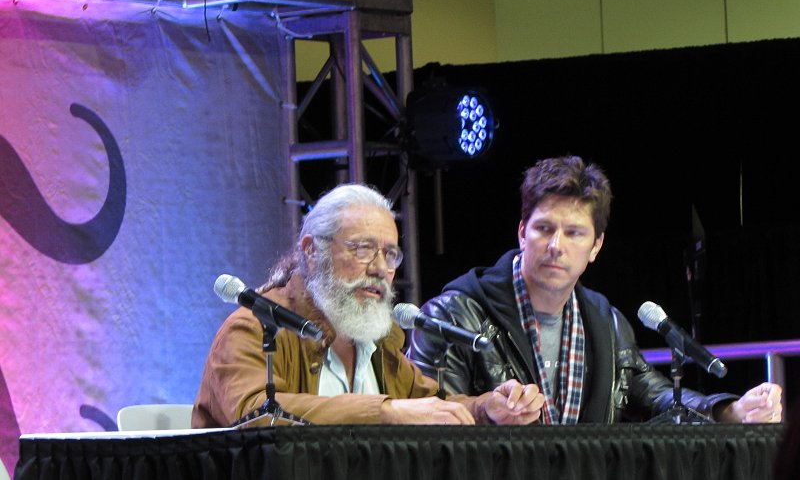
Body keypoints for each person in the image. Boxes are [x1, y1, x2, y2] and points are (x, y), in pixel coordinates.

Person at [407, 155, 783, 424]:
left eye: (574, 233)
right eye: (544, 228)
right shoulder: (451, 316)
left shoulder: (607, 324)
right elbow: (427, 416)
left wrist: (729, 411)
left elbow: (658, 397)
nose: (556, 246)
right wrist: (486, 410)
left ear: (596, 246)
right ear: (522, 232)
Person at [192, 183, 545, 428]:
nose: (379, 268)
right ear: (312, 252)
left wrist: (486, 408)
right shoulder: (252, 328)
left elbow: (429, 406)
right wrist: (384, 412)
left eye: (390, 254)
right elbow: (254, 414)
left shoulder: (376, 343)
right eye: (362, 249)